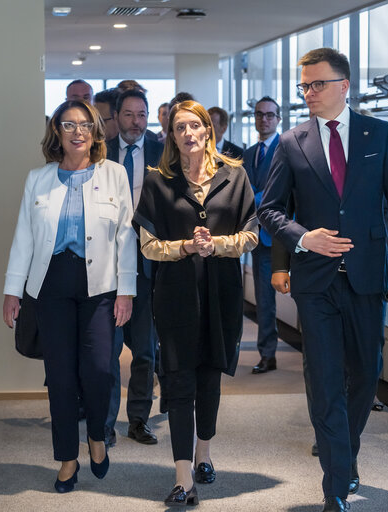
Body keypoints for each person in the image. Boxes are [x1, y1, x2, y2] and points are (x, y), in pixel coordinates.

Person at [258, 48, 388, 512]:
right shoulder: (292, 142)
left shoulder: (380, 133)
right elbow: (269, 210)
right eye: (303, 86)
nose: (308, 93)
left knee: (366, 374)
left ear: (343, 86)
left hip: (369, 277)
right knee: (325, 378)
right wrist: (303, 237)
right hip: (316, 283)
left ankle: (344, 453)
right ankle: (334, 485)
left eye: (316, 84)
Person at [2, 100, 136, 493]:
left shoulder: (114, 175)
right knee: (60, 378)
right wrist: (13, 290)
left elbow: (126, 236)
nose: (77, 132)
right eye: (68, 125)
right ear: (57, 133)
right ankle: (66, 458)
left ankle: (96, 435)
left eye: (85, 125)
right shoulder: (38, 179)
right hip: (50, 285)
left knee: (99, 370)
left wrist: (126, 290)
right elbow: (24, 237)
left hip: (100, 285)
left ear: (95, 132)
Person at [133, 100, 258, 506]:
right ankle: (183, 476)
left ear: (209, 130)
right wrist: (187, 246)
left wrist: (217, 245)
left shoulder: (235, 176)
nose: (188, 134)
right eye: (179, 127)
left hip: (221, 292)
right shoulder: (157, 181)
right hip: (175, 294)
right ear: (171, 135)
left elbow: (252, 234)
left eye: (195, 126)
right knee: (179, 380)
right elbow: (149, 247)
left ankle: (204, 451)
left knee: (209, 378)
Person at [105, 89, 164, 447]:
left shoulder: (162, 154)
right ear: (116, 116)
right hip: (106, 268)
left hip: (147, 266)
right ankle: (106, 422)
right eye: (129, 115)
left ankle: (139, 420)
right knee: (107, 352)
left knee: (145, 351)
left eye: (142, 115)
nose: (136, 122)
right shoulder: (100, 153)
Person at [241, 97, 281, 374]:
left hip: (286, 237)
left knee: (306, 298)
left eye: (269, 115)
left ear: (278, 119)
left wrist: (256, 198)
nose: (264, 119)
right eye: (259, 114)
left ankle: (318, 357)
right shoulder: (249, 153)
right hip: (258, 236)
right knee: (264, 300)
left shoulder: (289, 148)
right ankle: (268, 354)